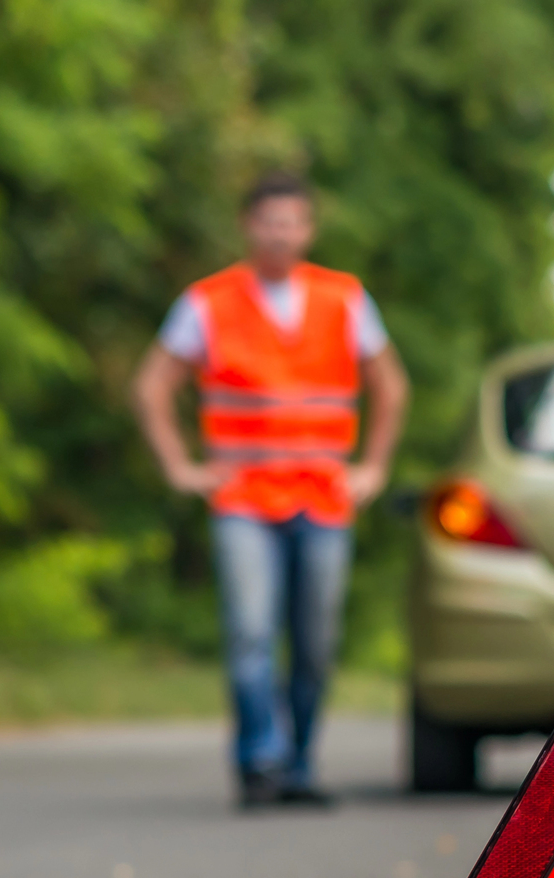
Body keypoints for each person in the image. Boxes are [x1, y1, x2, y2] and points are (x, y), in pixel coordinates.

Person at [133, 171, 409, 808]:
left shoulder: (344, 299)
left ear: (308, 229)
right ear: (248, 226)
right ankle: (260, 762)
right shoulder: (208, 301)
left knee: (315, 644)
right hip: (244, 500)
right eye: (269, 221)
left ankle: (298, 764)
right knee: (251, 632)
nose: (281, 233)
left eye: (293, 222)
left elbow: (389, 386)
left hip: (322, 497)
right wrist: (180, 466)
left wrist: (373, 467)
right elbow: (152, 387)